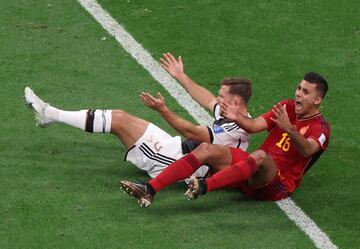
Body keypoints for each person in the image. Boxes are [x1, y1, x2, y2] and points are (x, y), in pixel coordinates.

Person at [24, 52, 252, 182]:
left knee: (120, 121)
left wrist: (163, 110)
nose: (217, 100)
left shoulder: (236, 129)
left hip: (181, 163)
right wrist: (181, 76)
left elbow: (192, 133)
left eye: (222, 96)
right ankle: (50, 115)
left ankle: (49, 114)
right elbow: (206, 99)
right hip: (178, 148)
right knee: (121, 116)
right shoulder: (233, 113)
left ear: (236, 101)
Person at [120, 72, 330, 207]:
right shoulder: (288, 106)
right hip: (251, 170)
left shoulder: (320, 128)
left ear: (317, 99)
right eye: (299, 89)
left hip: (277, 183)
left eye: (306, 92)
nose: (298, 94)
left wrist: (290, 129)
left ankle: (204, 186)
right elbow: (255, 125)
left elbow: (308, 150)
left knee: (260, 155)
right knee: (205, 148)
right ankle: (150, 189)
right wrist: (237, 116)